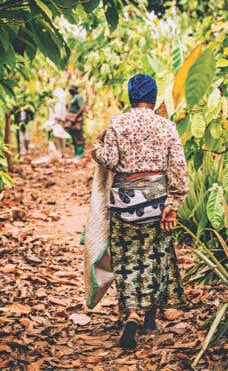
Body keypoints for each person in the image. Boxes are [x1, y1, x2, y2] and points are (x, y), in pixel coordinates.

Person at [91, 73, 189, 351]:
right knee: (155, 255)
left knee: (128, 257)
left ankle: (132, 312)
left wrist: (97, 146)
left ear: (131, 98)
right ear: (154, 98)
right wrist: (172, 205)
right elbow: (179, 171)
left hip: (124, 202)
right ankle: (149, 318)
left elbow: (109, 160)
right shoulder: (167, 126)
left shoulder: (118, 123)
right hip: (156, 201)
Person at [65, 84, 88, 159]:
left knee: (78, 136)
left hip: (76, 120)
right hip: (72, 120)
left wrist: (75, 117)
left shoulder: (78, 97)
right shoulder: (73, 97)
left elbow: (82, 108)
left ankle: (80, 153)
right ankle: (76, 154)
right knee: (74, 136)